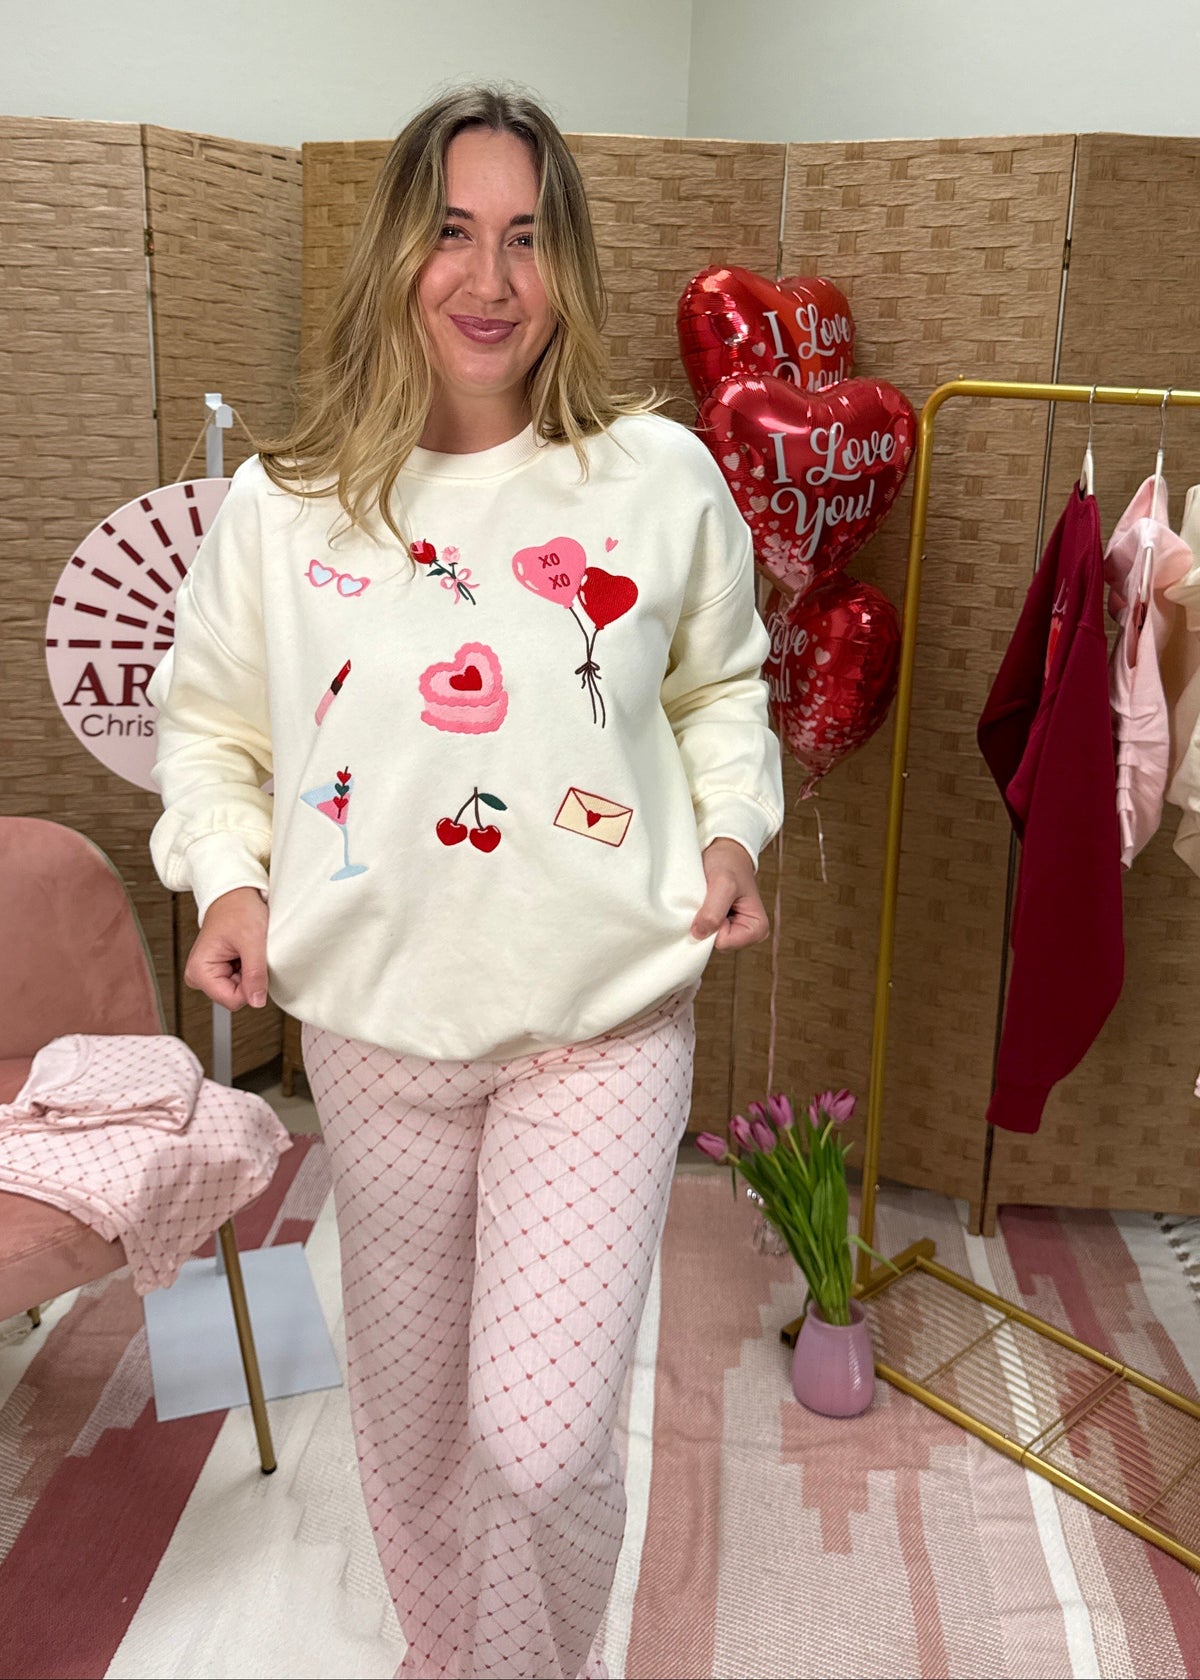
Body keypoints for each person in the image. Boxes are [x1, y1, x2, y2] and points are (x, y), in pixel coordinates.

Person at [147, 84, 783, 1680]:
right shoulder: (285, 507)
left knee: (539, 1426)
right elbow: (212, 725)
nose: (488, 279)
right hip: (373, 1034)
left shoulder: (651, 475)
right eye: (450, 233)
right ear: (395, 257)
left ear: (566, 264)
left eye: (524, 237)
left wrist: (727, 831)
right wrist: (228, 882)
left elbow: (720, 688)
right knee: (420, 1423)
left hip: (599, 1022)